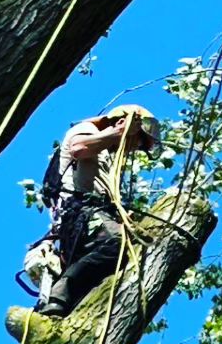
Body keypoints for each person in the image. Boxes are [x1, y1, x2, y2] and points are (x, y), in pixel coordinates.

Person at [29, 105, 159, 319]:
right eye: (136, 142)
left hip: (90, 216)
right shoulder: (88, 130)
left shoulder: (105, 153)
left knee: (113, 268)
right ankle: (59, 294)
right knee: (118, 243)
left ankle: (64, 307)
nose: (131, 150)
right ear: (121, 123)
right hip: (80, 211)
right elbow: (79, 148)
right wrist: (117, 133)